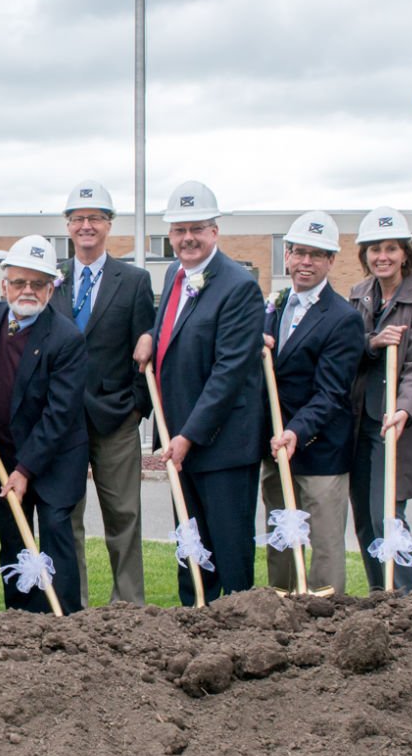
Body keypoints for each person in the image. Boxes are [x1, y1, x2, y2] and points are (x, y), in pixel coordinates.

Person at [135, 180, 266, 603]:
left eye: (197, 228)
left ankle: (240, 636)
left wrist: (189, 436)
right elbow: (176, 333)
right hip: (179, 440)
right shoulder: (175, 274)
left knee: (228, 553)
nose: (187, 238)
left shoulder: (238, 286)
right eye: (178, 230)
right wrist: (152, 336)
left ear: (215, 231)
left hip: (221, 444)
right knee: (191, 548)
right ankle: (193, 627)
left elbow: (229, 372)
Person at [48, 179, 154, 607]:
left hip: (115, 418)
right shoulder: (51, 279)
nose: (86, 226)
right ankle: (73, 605)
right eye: (78, 219)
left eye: (95, 218)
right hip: (62, 421)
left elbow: (145, 344)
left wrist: (135, 410)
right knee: (65, 519)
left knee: (124, 516)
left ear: (109, 225)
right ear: (68, 226)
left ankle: (127, 607)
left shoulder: (134, 280)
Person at [0, 236, 90, 614]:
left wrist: (26, 469)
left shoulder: (66, 338)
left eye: (38, 283)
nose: (28, 291)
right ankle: (19, 622)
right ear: (5, 283)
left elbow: (59, 415)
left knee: (56, 538)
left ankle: (64, 622)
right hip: (3, 454)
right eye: (20, 282)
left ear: (51, 286)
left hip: (54, 459)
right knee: (13, 542)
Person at [259, 211, 366, 594]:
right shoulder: (273, 309)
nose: (306, 262)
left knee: (323, 545)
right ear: (287, 255)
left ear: (331, 261)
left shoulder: (342, 319)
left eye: (316, 255)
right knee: (282, 541)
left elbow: (332, 393)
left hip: (319, 450)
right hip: (276, 447)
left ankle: (326, 620)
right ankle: (283, 611)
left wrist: (296, 431)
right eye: (299, 253)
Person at [348, 206, 412, 593]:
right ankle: (380, 594)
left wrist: (405, 407)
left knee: (386, 514)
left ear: (406, 253)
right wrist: (372, 342)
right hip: (360, 419)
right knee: (363, 518)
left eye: (391, 248)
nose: (382, 256)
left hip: (395, 420)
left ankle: (409, 598)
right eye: (374, 249)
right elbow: (347, 350)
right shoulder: (359, 295)